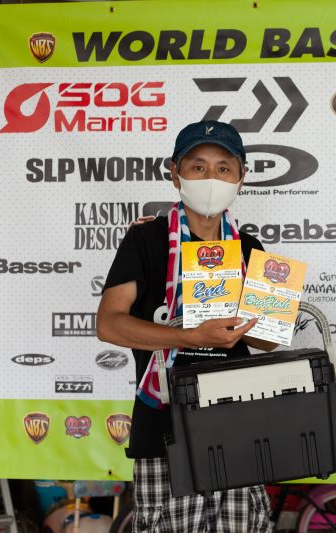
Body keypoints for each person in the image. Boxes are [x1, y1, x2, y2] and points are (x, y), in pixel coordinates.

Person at [97, 120, 275, 532]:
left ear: (242, 177)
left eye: (224, 168)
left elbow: (267, 342)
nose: (211, 178)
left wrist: (258, 318)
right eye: (198, 167)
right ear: (175, 174)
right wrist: (189, 336)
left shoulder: (250, 248)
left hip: (237, 426)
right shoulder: (146, 241)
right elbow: (109, 324)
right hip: (164, 428)